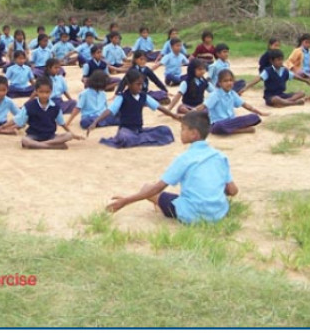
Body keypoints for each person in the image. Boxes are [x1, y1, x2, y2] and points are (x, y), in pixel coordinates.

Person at [106, 112, 239, 225]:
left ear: (194, 134)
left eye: (183, 129)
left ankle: (160, 206)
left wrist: (125, 201)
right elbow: (233, 191)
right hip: (218, 213)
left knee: (147, 188)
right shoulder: (220, 156)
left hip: (192, 214)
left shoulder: (184, 159)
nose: (181, 132)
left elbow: (157, 188)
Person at [88, 69, 179, 148]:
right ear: (129, 84)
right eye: (137, 84)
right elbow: (110, 110)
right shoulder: (122, 97)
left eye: (141, 84)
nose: (140, 87)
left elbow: (159, 107)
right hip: (126, 130)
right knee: (124, 137)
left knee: (165, 130)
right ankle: (139, 139)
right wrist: (95, 122)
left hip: (139, 130)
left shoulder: (144, 96)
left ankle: (138, 139)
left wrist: (173, 115)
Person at [0, 76, 83, 150]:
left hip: (50, 135)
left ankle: (40, 145)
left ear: (51, 92)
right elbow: (16, 120)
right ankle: (49, 146)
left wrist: (73, 135)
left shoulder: (55, 107)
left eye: (47, 92)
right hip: (34, 135)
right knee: (25, 140)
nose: (44, 95)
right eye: (41, 92)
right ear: (36, 92)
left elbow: (62, 123)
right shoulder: (29, 106)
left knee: (68, 135)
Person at [195, 69, 268, 134]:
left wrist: (260, 112)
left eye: (230, 80)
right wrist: (190, 115)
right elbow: (203, 106)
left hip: (231, 121)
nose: (229, 83)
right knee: (219, 126)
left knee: (254, 117)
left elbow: (245, 105)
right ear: (220, 83)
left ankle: (232, 129)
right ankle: (240, 130)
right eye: (225, 81)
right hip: (217, 123)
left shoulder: (233, 94)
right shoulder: (215, 95)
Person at [241, 49, 310, 107]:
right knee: (276, 99)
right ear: (271, 61)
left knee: (302, 93)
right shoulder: (268, 71)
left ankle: (286, 102)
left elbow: (294, 76)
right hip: (271, 96)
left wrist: (306, 81)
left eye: (282, 60)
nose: (281, 62)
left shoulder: (284, 70)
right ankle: (293, 103)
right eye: (278, 60)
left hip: (282, 95)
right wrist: (245, 88)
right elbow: (257, 79)